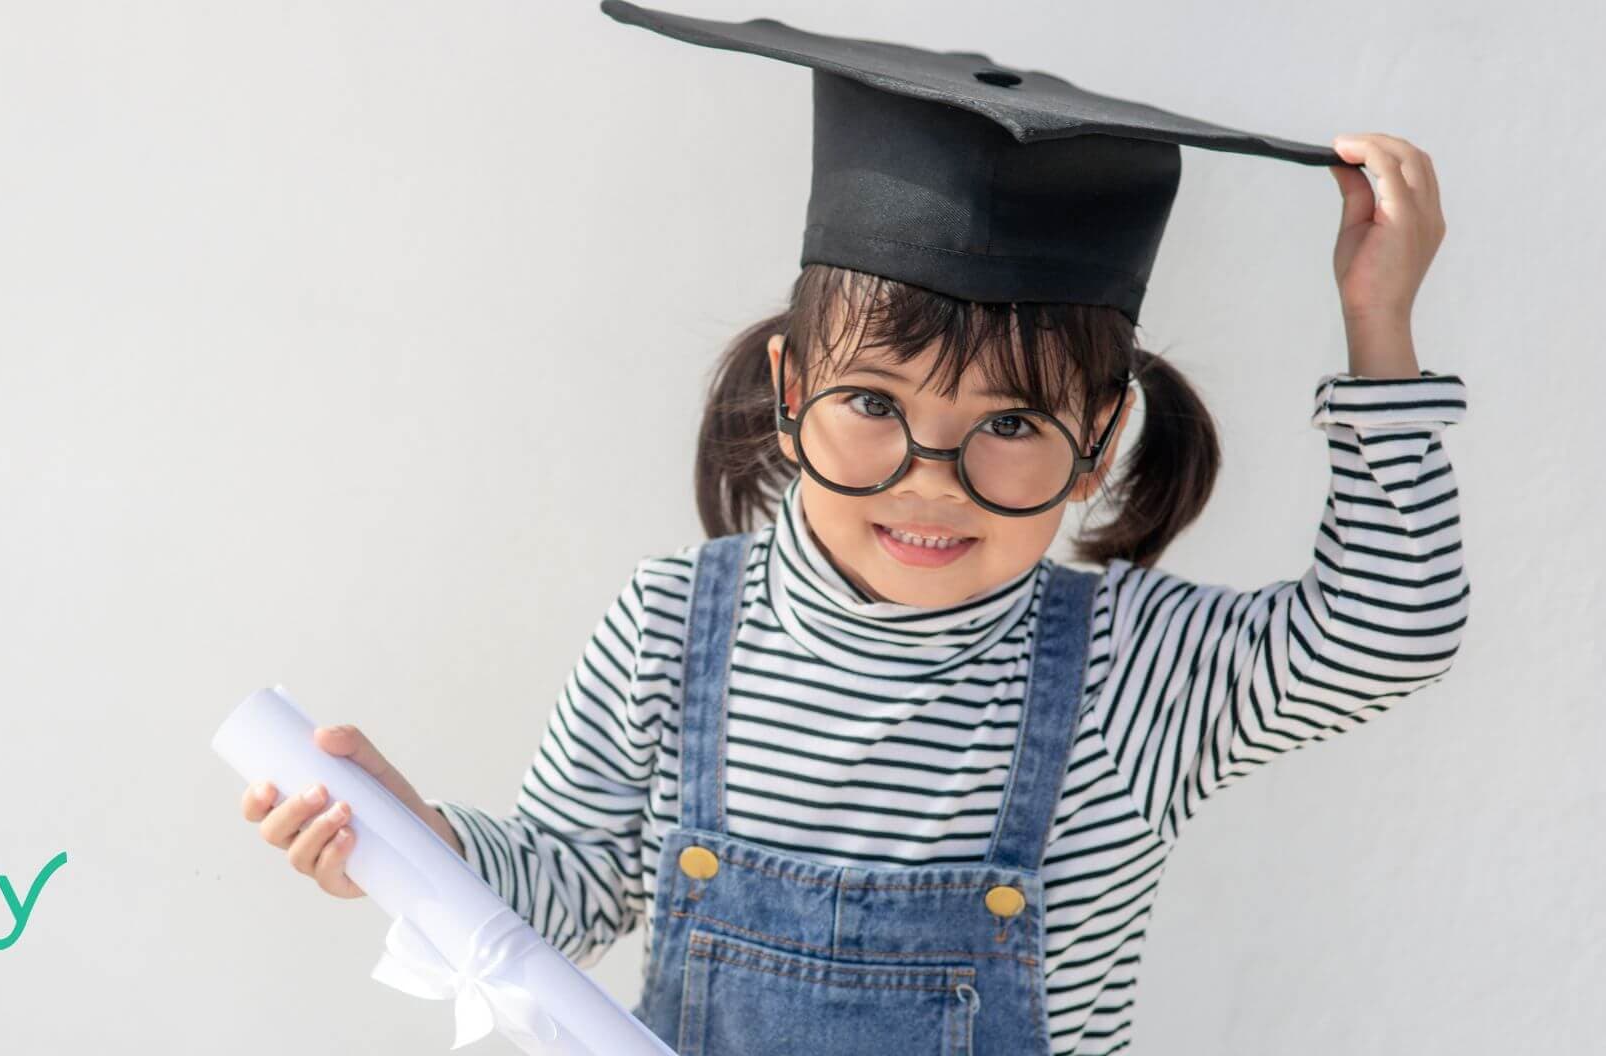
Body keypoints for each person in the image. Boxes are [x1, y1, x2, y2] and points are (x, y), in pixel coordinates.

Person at [237, 5, 1469, 1053]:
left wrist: (1380, 329)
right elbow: (567, 888)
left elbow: (1386, 632)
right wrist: (415, 845)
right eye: (874, 405)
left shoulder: (1133, 671)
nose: (930, 483)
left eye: (1013, 425)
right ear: (788, 392)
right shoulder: (668, 626)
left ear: (1098, 440)